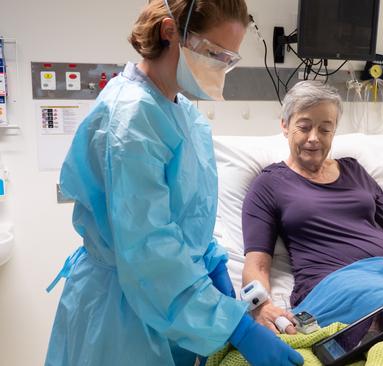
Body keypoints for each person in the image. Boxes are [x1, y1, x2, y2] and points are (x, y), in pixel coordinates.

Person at [45, 1, 303, 365]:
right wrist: (236, 328)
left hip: (172, 298)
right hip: (122, 313)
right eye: (215, 53)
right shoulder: (131, 118)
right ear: (169, 31)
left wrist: (218, 277)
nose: (221, 67)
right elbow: (149, 251)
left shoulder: (181, 112)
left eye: (229, 58)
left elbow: (191, 217)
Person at [242, 81, 383, 334]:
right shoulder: (269, 184)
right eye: (304, 127)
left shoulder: (355, 170)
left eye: (325, 129)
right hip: (338, 286)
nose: (314, 138)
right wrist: (260, 306)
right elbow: (257, 265)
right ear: (285, 126)